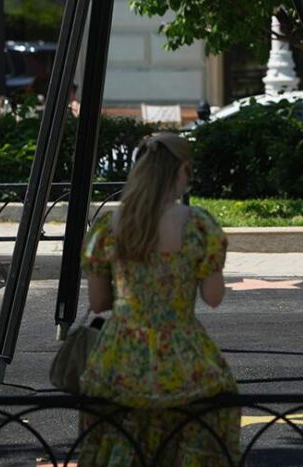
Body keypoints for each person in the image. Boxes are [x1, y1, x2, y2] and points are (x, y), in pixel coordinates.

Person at [78, 132, 240, 465]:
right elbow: (213, 297)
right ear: (182, 170)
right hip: (182, 355)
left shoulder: (109, 227)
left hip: (120, 357)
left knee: (120, 438)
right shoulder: (198, 226)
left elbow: (98, 302)